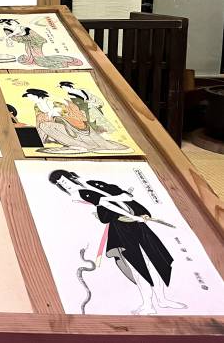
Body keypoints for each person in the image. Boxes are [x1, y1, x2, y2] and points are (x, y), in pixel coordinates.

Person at [49, 170, 186, 315]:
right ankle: (148, 304)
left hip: (138, 224)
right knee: (137, 266)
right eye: (61, 184)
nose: (65, 185)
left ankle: (162, 300)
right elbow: (108, 205)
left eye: (64, 180)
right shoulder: (77, 195)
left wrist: (136, 210)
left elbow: (122, 194)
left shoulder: (92, 183)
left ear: (70, 177)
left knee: (153, 261)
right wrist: (129, 211)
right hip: (121, 228)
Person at [21, 88, 131, 153]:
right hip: (58, 125)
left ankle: (78, 144)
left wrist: (55, 113)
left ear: (38, 95)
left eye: (30, 96)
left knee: (45, 125)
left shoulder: (54, 102)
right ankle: (36, 143)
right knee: (43, 125)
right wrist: (49, 116)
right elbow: (40, 120)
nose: (30, 98)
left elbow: (70, 113)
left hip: (74, 124)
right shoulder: (37, 106)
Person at [0, 18, 83, 69]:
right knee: (32, 53)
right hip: (29, 38)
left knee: (39, 59)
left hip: (33, 38)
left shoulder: (13, 24)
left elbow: (16, 32)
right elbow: (15, 34)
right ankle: (36, 59)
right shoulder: (8, 27)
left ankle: (58, 62)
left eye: (3, 23)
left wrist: (6, 37)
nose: (3, 25)